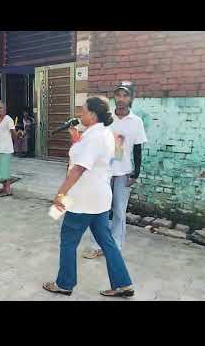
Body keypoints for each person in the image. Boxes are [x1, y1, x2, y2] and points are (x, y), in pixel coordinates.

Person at [43, 96, 134, 297]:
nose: (79, 114)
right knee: (106, 241)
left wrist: (60, 194)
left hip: (82, 198)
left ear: (92, 115)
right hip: (99, 198)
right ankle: (122, 283)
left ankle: (64, 283)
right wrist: (76, 138)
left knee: (68, 239)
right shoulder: (104, 133)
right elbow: (91, 157)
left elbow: (78, 169)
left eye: (83, 111)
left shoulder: (94, 137)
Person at [83, 81, 147, 259]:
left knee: (119, 210)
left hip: (123, 172)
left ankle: (115, 246)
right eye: (118, 95)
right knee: (99, 209)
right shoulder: (106, 117)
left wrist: (137, 172)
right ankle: (97, 246)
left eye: (125, 95)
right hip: (103, 171)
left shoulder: (136, 122)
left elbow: (137, 148)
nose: (121, 99)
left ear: (131, 98)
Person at [0, 101, 20, 197]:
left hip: (6, 149)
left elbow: (14, 134)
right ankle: (4, 188)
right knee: (0, 170)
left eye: (1, 108)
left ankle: (8, 190)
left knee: (5, 170)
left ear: (5, 109)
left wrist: (18, 135)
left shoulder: (8, 119)